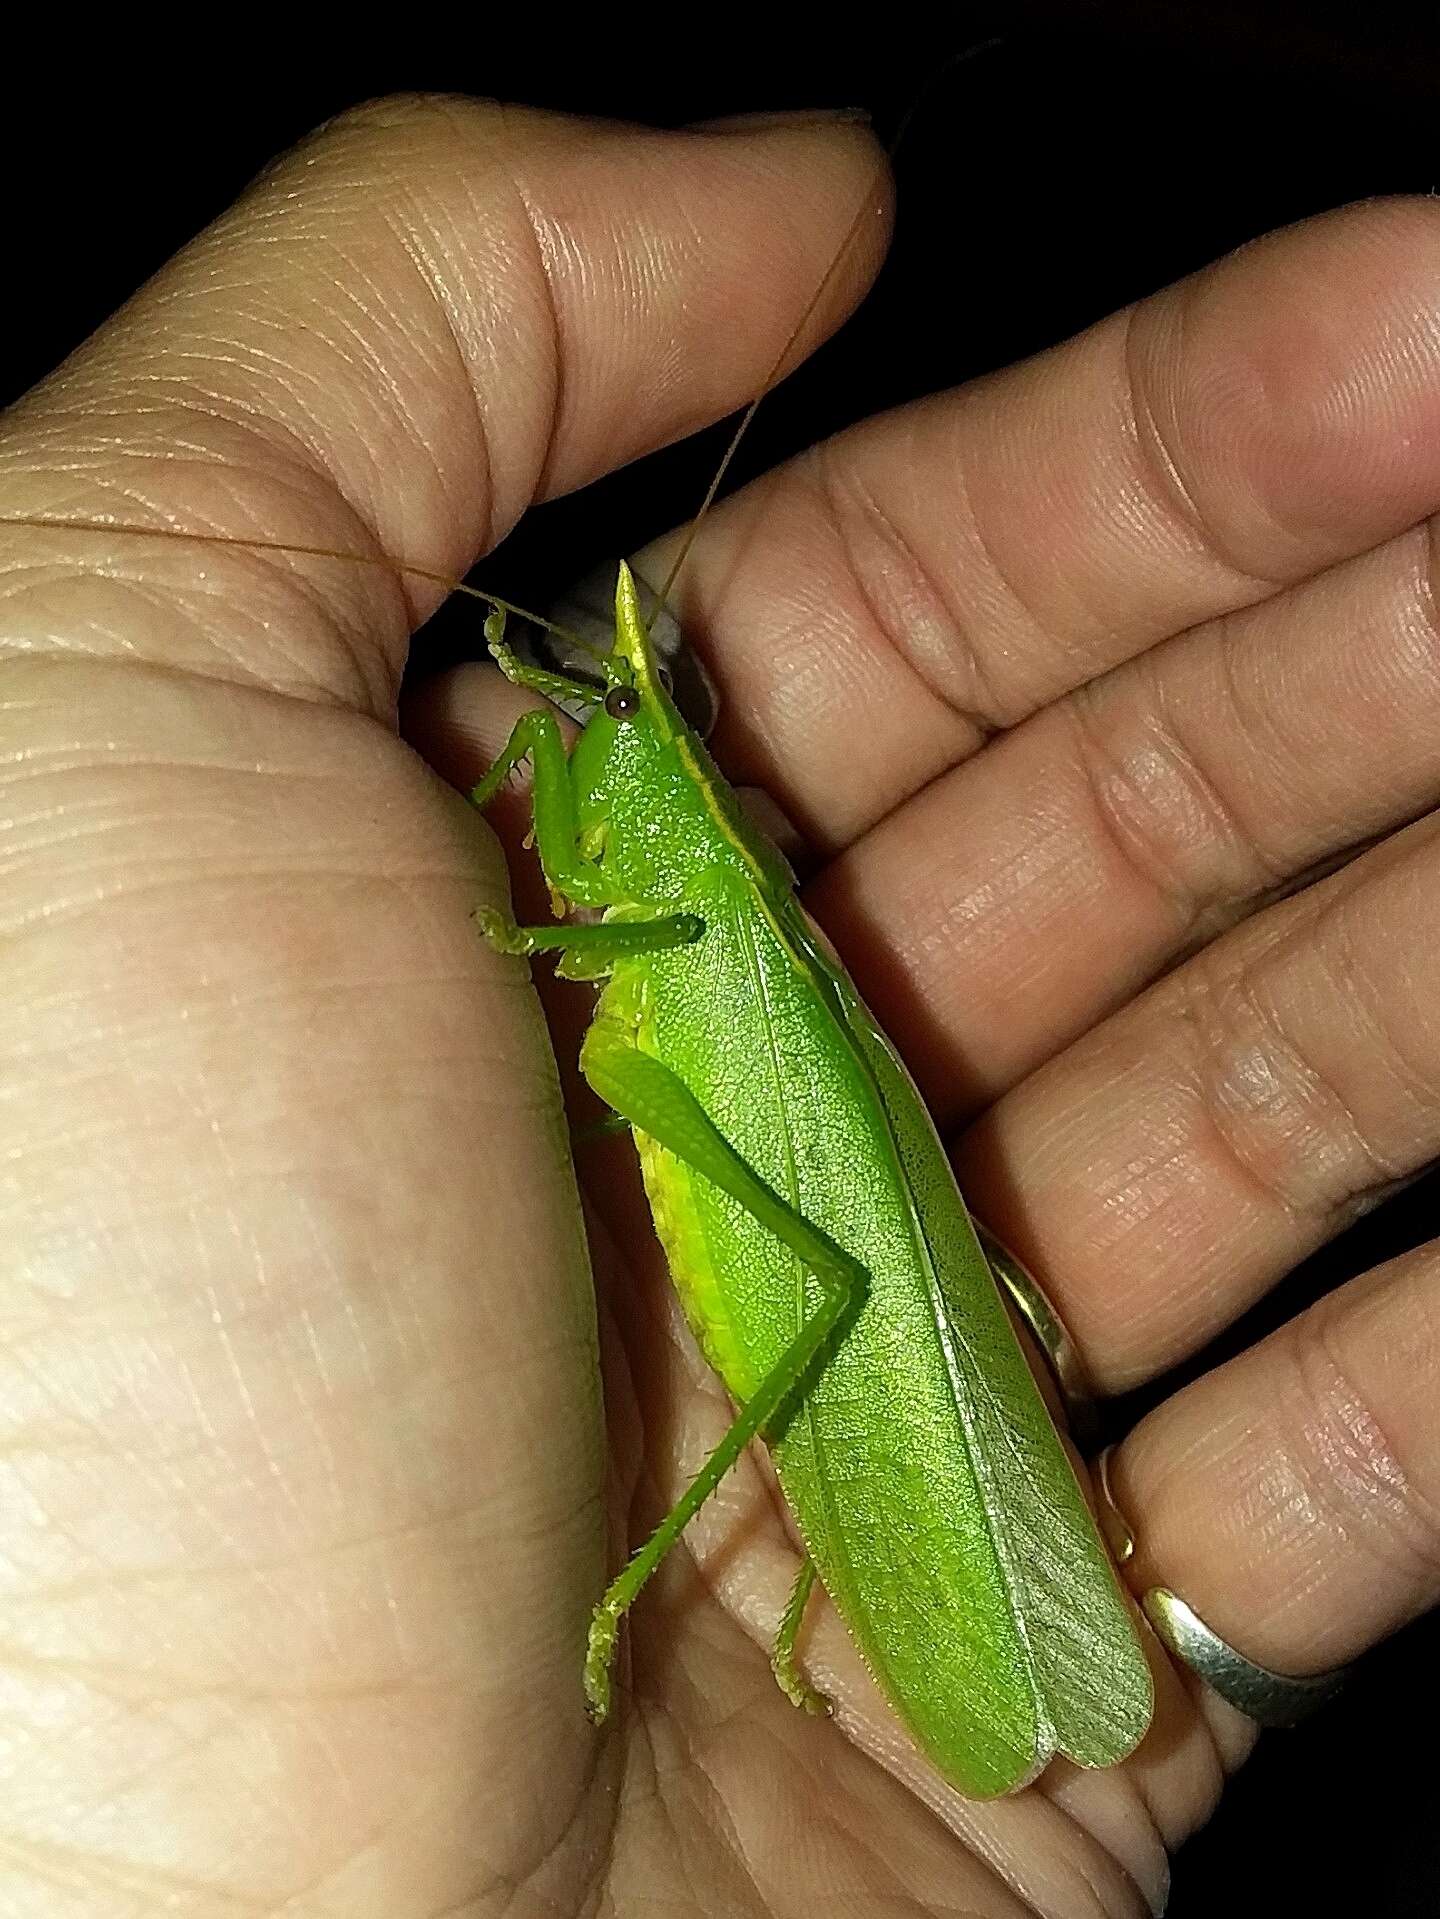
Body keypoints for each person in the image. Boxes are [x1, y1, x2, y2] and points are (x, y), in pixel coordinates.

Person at [1, 96, 1436, 1917]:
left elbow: (582, 949)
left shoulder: (678, 872)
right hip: (725, 1093)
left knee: (843, 1257)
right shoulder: (665, 833)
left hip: (749, 1134)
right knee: (838, 1207)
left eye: (612, 727)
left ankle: (685, 1581)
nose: (572, 742)